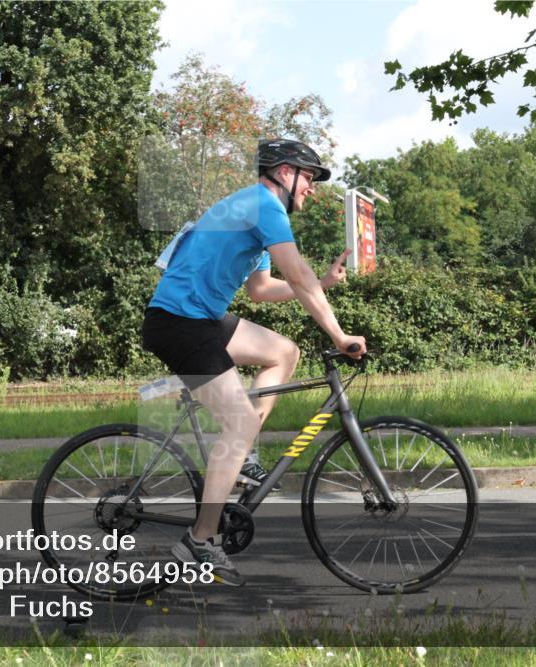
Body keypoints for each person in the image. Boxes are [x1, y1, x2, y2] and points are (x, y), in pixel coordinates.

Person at [141, 138, 367, 586]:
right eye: (309, 177)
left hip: (200, 318)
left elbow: (261, 289)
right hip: (180, 323)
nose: (312, 188)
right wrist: (340, 336)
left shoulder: (255, 210)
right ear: (285, 172)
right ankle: (200, 540)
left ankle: (240, 454)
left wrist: (322, 282)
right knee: (240, 424)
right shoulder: (264, 206)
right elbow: (297, 275)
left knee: (283, 352)